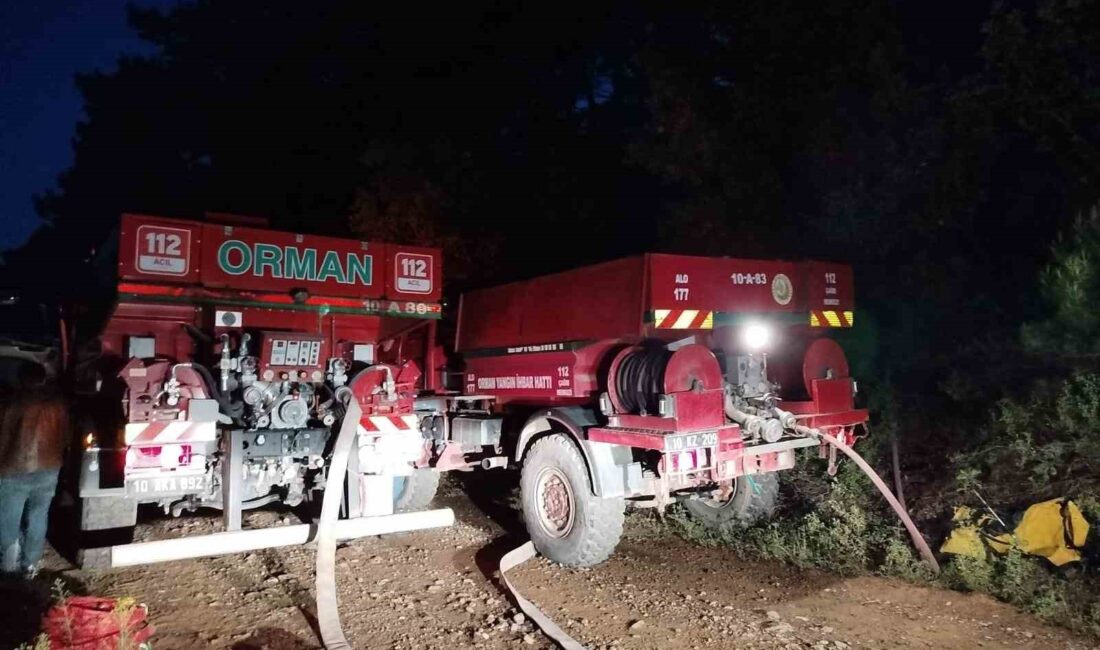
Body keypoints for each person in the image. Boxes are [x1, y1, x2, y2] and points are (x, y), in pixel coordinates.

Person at [0, 361, 68, 578]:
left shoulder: (11, 403)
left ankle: (8, 566)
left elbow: (3, 437)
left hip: (14, 470)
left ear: (21, 379)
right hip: (48, 469)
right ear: (43, 379)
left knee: (8, 519)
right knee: (38, 516)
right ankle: (30, 565)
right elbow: (67, 437)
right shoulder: (58, 405)